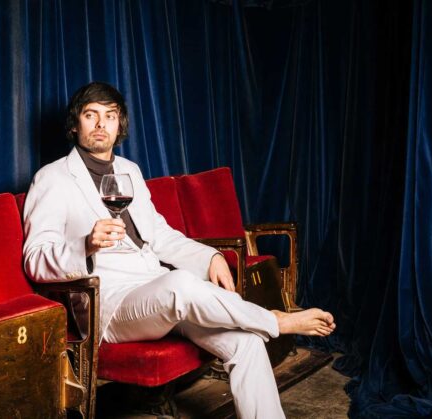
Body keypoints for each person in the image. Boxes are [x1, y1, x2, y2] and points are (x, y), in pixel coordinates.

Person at [23, 81, 335, 418]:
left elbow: (159, 235)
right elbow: (35, 259)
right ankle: (272, 320)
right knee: (182, 283)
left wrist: (210, 256)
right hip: (111, 306)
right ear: (75, 124)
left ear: (120, 124)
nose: (101, 125)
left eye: (110, 116)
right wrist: (84, 244)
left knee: (246, 344)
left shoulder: (130, 171)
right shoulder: (52, 178)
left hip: (158, 293)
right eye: (91, 115)